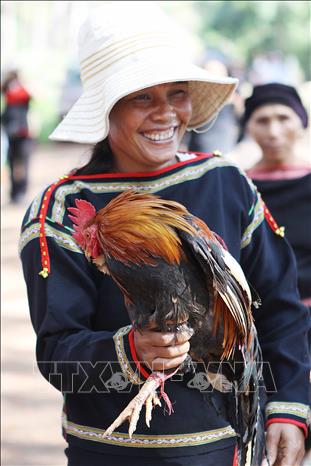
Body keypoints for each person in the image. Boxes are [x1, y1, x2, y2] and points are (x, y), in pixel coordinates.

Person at [19, 4, 309, 466]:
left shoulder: (225, 181)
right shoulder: (63, 207)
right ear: (106, 106)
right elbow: (56, 353)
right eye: (141, 98)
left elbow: (279, 305)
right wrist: (131, 351)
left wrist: (290, 407)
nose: (166, 114)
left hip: (224, 442)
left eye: (177, 93)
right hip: (111, 451)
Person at [243, 83, 311, 309]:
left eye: (283, 118)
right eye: (262, 121)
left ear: (302, 122)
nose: (273, 132)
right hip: (261, 320)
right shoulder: (241, 187)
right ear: (249, 127)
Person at [1, 69, 32, 203]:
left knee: (24, 164)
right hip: (11, 134)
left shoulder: (24, 93)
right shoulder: (8, 92)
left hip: (24, 133)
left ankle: (22, 191)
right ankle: (14, 193)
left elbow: (31, 94)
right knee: (12, 163)